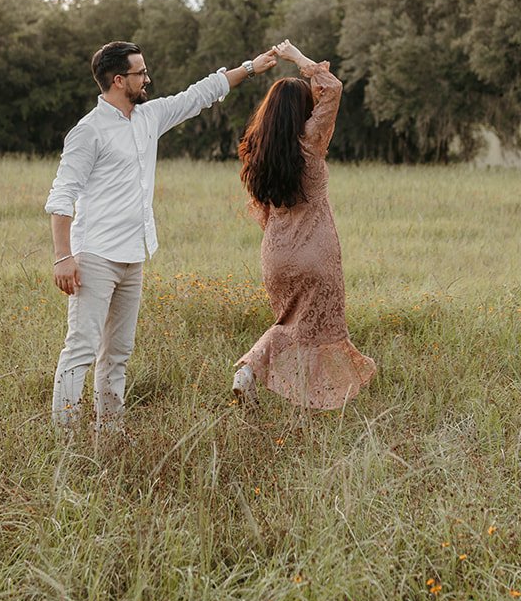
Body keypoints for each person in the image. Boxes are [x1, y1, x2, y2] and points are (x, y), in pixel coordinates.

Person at [45, 40, 279, 428]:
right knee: (81, 350)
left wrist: (251, 68)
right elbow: (61, 196)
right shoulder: (88, 132)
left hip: (133, 255)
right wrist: (63, 256)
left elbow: (200, 94)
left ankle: (111, 432)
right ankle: (64, 437)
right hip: (94, 257)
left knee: (118, 352)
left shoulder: (149, 117)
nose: (147, 78)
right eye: (141, 73)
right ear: (119, 80)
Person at [232, 39, 376, 409]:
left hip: (276, 255)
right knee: (318, 330)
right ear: (303, 113)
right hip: (316, 252)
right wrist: (297, 58)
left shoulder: (259, 153)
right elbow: (333, 88)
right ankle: (263, 373)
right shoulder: (311, 144)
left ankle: (276, 384)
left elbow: (264, 211)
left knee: (291, 324)